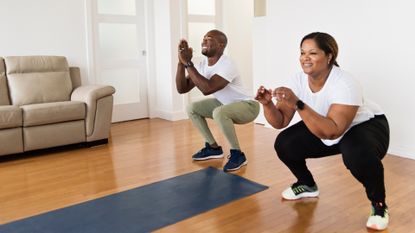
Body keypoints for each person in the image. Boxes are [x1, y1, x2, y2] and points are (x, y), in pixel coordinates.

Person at [255, 32, 390, 231]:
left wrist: (298, 103)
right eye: (302, 53)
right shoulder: (298, 80)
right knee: (284, 143)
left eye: (313, 53)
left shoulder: (345, 83)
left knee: (356, 156)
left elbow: (333, 132)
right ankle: (307, 184)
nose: (305, 58)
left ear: (329, 56)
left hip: (364, 125)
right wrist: (267, 105)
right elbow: (280, 121)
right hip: (325, 123)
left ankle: (379, 205)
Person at [176, 29, 259, 172]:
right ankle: (213, 148)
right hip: (225, 104)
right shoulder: (202, 65)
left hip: (248, 106)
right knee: (192, 108)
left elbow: (207, 88)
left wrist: (188, 63)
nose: (204, 41)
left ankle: (237, 155)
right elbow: (182, 88)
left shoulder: (227, 64)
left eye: (209, 39)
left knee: (219, 112)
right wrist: (181, 62)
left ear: (221, 45)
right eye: (203, 38)